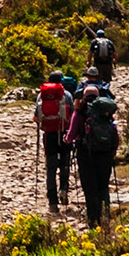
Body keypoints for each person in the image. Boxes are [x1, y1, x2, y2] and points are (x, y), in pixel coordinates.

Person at [66, 82, 120, 229]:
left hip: (86, 155)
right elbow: (114, 132)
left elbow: (71, 136)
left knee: (90, 190)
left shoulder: (80, 112)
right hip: (105, 155)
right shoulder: (105, 111)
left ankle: (93, 223)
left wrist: (68, 139)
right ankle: (105, 219)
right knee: (103, 187)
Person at [34, 70, 73, 212]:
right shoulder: (66, 94)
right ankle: (63, 189)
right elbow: (72, 114)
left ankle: (52, 202)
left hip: (49, 135)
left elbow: (36, 117)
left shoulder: (41, 95)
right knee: (65, 163)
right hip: (63, 134)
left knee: (50, 168)